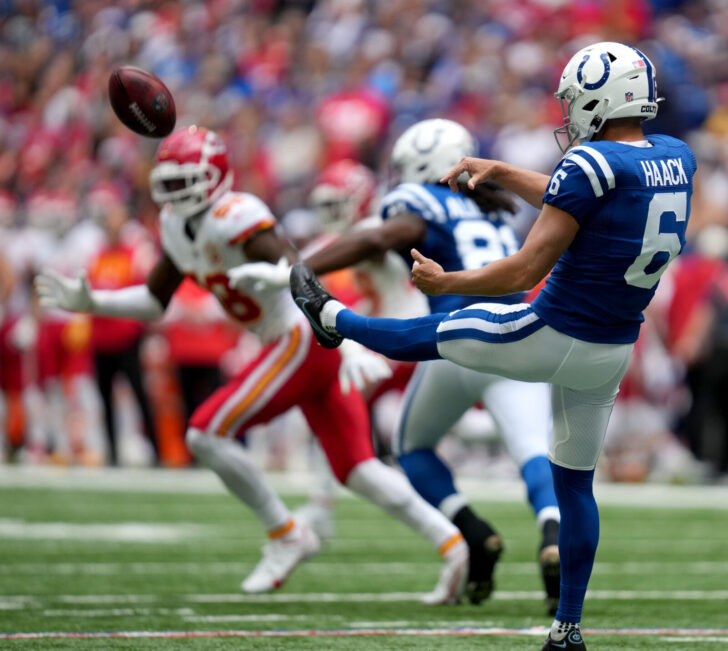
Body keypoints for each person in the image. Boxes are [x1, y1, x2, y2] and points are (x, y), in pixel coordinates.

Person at [288, 42, 695, 650]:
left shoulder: (590, 166)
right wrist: (501, 171)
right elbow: (579, 197)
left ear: (596, 99)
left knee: (438, 334)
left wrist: (446, 283)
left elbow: (525, 269)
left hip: (550, 332)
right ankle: (567, 630)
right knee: (574, 485)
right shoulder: (675, 157)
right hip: (610, 350)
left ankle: (332, 318)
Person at [34, 125, 470, 604]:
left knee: (204, 431)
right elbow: (156, 301)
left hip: (298, 337)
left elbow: (300, 271)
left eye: (187, 180)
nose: (177, 192)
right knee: (356, 468)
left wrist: (335, 334)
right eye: (170, 182)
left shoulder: (235, 215)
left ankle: (285, 533)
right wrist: (93, 300)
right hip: (298, 343)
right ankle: (452, 545)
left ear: (215, 177)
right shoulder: (179, 226)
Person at [234, 124, 561, 611]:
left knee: (411, 447)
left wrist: (301, 270)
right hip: (515, 337)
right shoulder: (493, 210)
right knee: (534, 451)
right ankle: (553, 535)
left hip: (457, 340)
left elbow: (384, 237)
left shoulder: (424, 205)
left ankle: (473, 531)